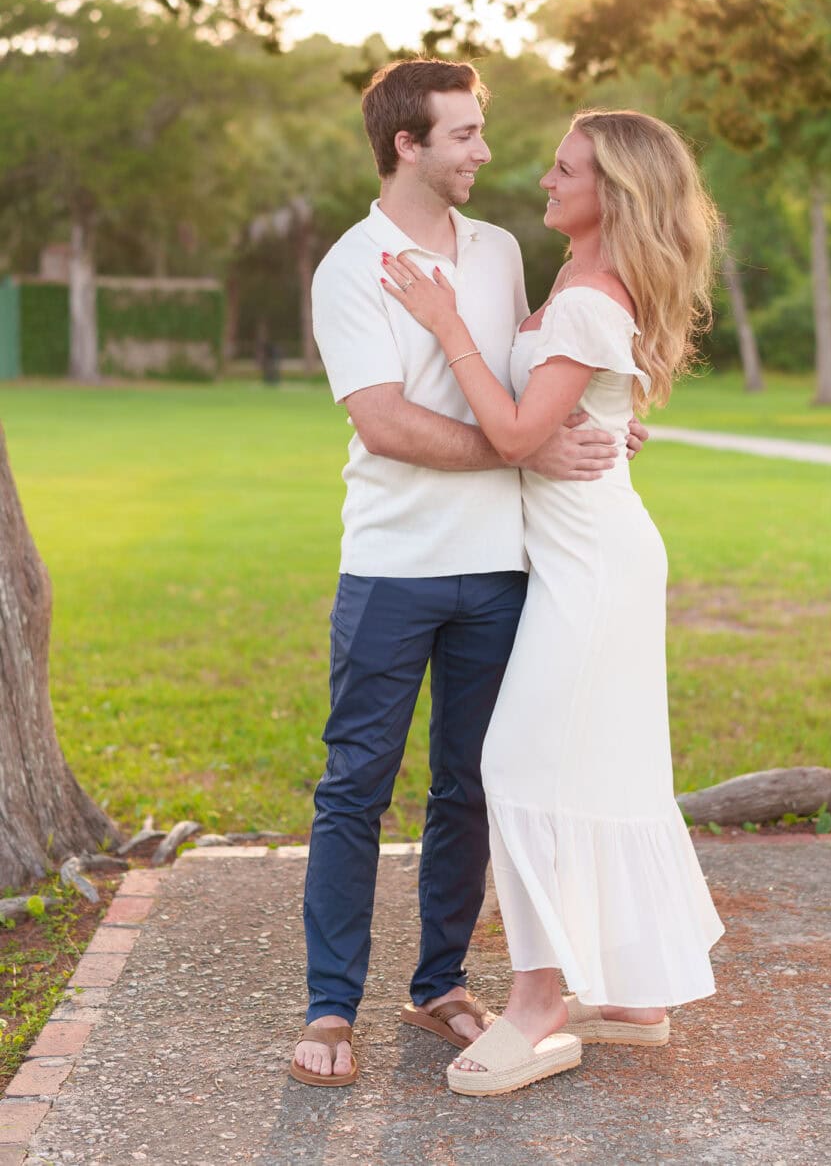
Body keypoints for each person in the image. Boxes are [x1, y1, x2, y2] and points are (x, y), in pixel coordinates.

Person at [290, 61, 648, 1087]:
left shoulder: (496, 252)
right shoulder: (352, 266)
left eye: (482, 132)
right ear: (406, 144)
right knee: (355, 786)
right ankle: (327, 1007)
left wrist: (594, 423)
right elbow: (384, 420)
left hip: (504, 565)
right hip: (394, 566)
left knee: (473, 788)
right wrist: (527, 445)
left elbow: (529, 376)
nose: (484, 153)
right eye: (463, 136)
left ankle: (440, 982)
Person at [381, 107, 725, 1097]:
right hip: (587, 557)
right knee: (601, 766)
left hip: (594, 567)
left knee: (517, 763)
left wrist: (447, 327)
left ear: (611, 192)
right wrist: (577, 425)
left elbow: (521, 433)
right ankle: (635, 996)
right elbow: (561, 422)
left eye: (564, 168)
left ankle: (537, 1006)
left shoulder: (584, 298)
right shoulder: (580, 287)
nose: (543, 177)